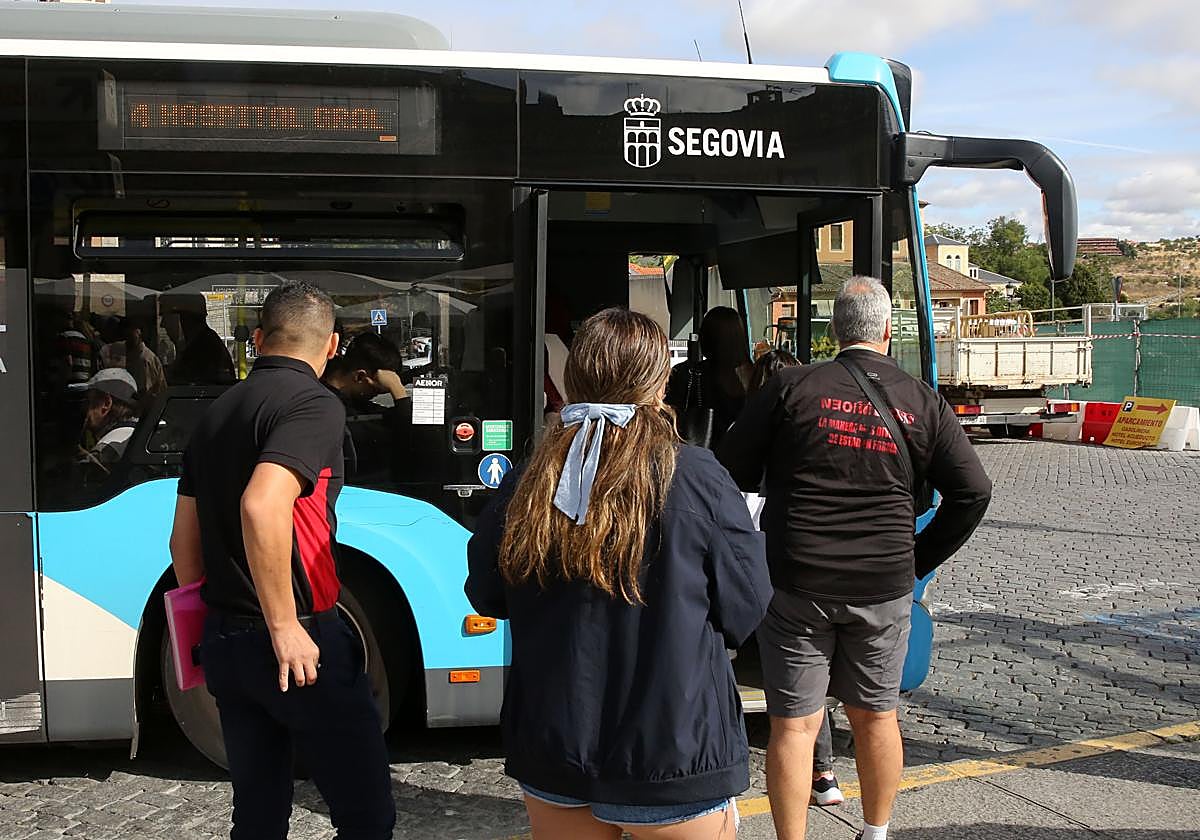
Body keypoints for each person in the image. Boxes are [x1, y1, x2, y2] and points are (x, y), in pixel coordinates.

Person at [466, 308, 772, 840]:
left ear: (573, 378)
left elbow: (486, 593)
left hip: (556, 742)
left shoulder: (532, 477)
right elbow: (747, 604)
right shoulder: (694, 474)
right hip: (672, 748)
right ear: (659, 384)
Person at [719, 276, 993, 840]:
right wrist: (915, 559)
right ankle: (875, 832)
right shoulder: (923, 400)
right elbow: (973, 491)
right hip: (884, 583)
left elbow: (730, 472)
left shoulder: (792, 388)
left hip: (797, 581)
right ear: (888, 330)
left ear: (835, 330)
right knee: (877, 717)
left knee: (794, 726)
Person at [168, 282, 395, 840]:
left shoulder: (217, 411)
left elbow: (182, 544)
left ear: (256, 339)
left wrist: (217, 622)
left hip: (226, 638)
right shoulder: (315, 404)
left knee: (258, 815)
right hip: (299, 638)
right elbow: (262, 503)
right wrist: (283, 625)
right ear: (333, 345)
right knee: (366, 816)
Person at [745, 348, 845, 808]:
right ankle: (823, 772)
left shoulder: (748, 430)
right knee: (809, 682)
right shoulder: (819, 429)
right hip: (803, 566)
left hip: (763, 560)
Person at [665, 306, 753, 450]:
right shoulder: (756, 376)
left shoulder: (687, 374)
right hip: (743, 457)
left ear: (705, 337)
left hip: (700, 456)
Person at [77, 368, 140, 473]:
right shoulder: (140, 435)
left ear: (106, 404)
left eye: (87, 402)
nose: (83, 409)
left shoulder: (106, 449)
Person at [165, 295, 236, 385]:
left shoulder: (204, 347)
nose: (163, 324)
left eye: (167, 317)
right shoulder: (200, 342)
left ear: (184, 317)